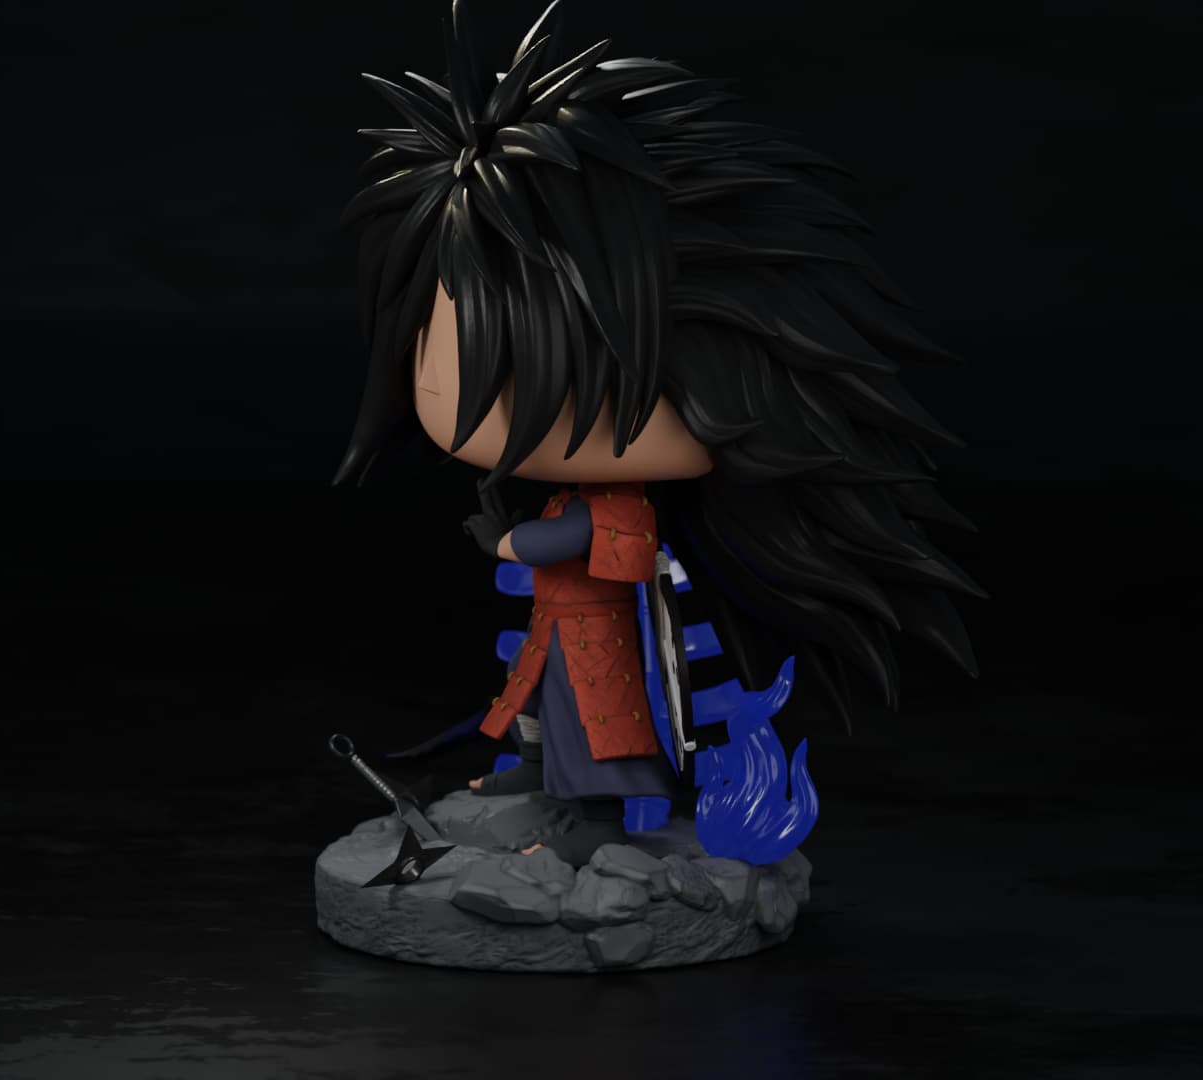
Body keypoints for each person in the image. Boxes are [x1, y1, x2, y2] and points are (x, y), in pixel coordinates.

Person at [333, 1, 984, 866]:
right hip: (564, 630)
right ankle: (538, 776)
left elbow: (574, 538)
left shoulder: (619, 507)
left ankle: (594, 821)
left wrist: (508, 542)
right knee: (536, 702)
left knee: (596, 724)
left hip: (601, 643)